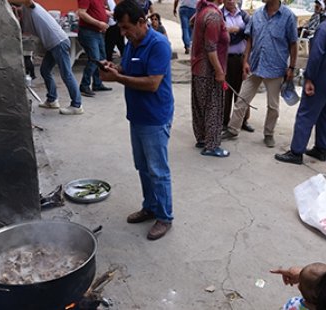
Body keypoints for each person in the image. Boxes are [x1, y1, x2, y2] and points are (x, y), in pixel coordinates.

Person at [99, 0, 174, 240]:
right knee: (142, 167)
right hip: (137, 116)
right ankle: (150, 207)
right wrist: (114, 69)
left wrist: (119, 79)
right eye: (120, 28)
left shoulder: (159, 44)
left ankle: (164, 217)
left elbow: (152, 83)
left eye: (125, 27)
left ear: (141, 22)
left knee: (157, 170)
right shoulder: (133, 43)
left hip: (155, 117)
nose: (123, 33)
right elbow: (127, 68)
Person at [275, 0, 326, 164]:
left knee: (306, 114)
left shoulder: (325, 27)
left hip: (321, 77)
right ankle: (321, 149)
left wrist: (309, 78)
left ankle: (296, 151)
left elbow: (316, 56)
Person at [221, 0, 298, 148]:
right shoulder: (257, 15)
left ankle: (269, 133)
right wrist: (246, 61)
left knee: (273, 106)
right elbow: (250, 39)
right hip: (255, 65)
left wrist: (292, 67)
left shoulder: (288, 16)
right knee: (242, 98)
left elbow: (293, 43)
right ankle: (233, 129)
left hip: (276, 67)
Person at [12, 0, 84, 115]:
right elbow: (20, 30)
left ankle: (77, 105)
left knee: (66, 74)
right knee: (44, 70)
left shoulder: (31, 7)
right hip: (53, 44)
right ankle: (52, 100)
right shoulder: (24, 15)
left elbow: (27, 1)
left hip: (58, 42)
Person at [190, 0, 230, 157]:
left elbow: (191, 22)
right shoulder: (213, 16)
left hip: (198, 68)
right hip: (209, 70)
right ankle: (212, 145)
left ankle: (202, 138)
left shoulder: (202, 10)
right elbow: (211, 48)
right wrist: (219, 72)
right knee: (213, 107)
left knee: (200, 105)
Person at [221, 0, 254, 133]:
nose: (231, 1)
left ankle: (243, 120)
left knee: (243, 91)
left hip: (242, 58)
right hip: (226, 59)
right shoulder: (220, 15)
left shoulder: (244, 15)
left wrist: (236, 30)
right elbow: (222, 36)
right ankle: (224, 121)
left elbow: (249, 33)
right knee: (226, 91)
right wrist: (239, 34)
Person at [78, 0, 113, 97]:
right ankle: (84, 85)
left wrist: (108, 13)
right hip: (88, 31)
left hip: (98, 32)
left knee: (102, 58)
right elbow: (81, 13)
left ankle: (97, 83)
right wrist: (98, 23)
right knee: (94, 58)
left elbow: (97, 10)